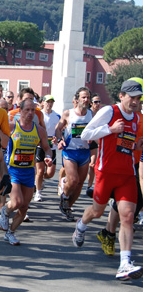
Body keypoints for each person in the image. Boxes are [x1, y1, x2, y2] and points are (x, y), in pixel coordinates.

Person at [72, 80, 143, 281]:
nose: (136, 102)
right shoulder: (110, 112)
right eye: (132, 97)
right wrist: (110, 130)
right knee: (97, 211)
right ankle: (81, 224)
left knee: (128, 216)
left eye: (138, 98)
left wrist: (138, 145)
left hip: (127, 174)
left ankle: (124, 263)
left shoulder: (137, 118)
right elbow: (86, 134)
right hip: (106, 172)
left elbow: (130, 145)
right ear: (121, 96)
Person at [0, 98, 52, 245]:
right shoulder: (11, 127)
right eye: (27, 110)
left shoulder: (39, 130)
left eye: (33, 110)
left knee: (24, 206)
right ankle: (5, 211)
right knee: (17, 202)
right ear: (20, 111)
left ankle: (10, 233)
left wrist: (48, 157)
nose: (30, 113)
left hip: (29, 171)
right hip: (13, 170)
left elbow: (47, 148)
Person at [55, 87, 92, 221]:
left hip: (84, 151)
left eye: (88, 97)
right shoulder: (68, 114)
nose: (86, 99)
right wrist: (60, 140)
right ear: (77, 99)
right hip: (70, 151)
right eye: (83, 97)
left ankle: (67, 207)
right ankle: (64, 196)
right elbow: (58, 129)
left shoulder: (92, 114)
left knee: (80, 183)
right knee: (74, 179)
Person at [33, 95, 60, 202]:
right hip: (40, 146)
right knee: (39, 171)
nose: (49, 104)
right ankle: (38, 193)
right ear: (43, 103)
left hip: (51, 147)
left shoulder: (57, 116)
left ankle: (39, 179)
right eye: (48, 102)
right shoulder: (39, 115)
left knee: (50, 173)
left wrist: (56, 139)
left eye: (51, 102)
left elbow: (58, 131)